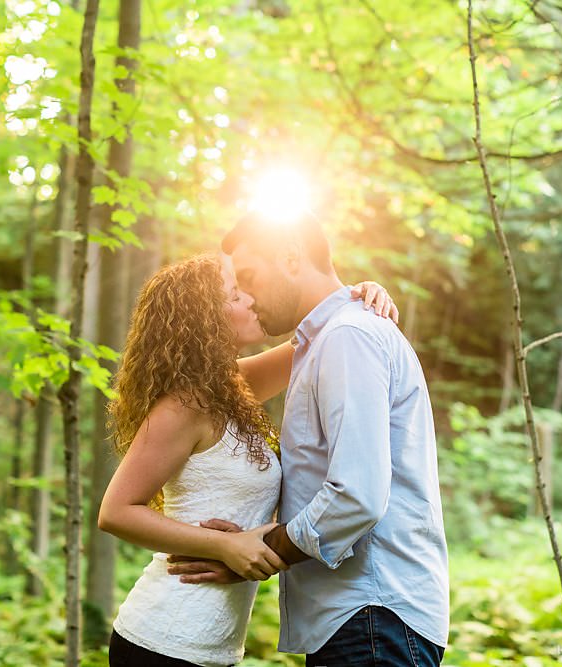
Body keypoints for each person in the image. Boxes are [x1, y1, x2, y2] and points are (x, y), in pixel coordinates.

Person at [168, 217, 449, 667]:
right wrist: (242, 546)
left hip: (371, 614)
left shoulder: (347, 336)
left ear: (292, 257)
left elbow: (356, 495)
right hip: (359, 619)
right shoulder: (323, 341)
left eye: (250, 278)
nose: (248, 297)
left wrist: (263, 550)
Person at [97, 253, 398, 667]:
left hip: (212, 648)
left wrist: (360, 294)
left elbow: (321, 335)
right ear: (204, 318)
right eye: (235, 294)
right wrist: (224, 544)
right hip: (163, 639)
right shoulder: (185, 405)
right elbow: (116, 511)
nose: (252, 299)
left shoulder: (231, 387)